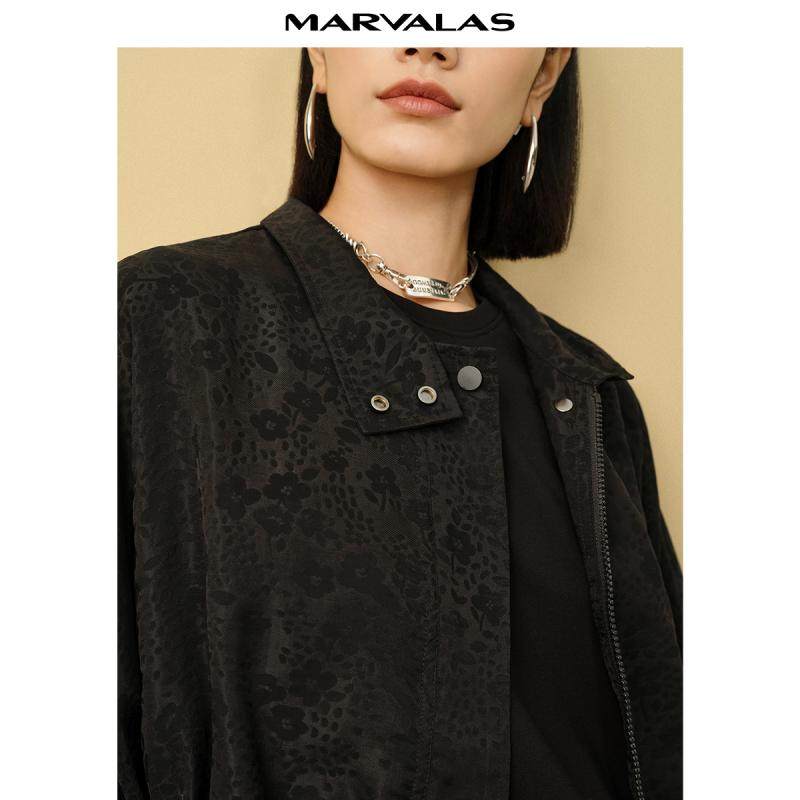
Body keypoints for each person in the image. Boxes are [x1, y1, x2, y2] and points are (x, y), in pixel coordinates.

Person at [118, 47, 682, 800]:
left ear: (543, 76)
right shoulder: (167, 319)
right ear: (320, 51)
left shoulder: (593, 397)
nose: (430, 39)